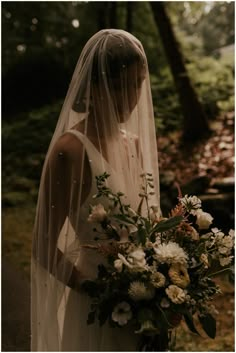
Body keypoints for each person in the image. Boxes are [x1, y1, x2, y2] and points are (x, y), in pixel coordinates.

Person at [31, 29, 160, 351]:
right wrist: (100, 291)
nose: (130, 98)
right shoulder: (70, 151)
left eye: (137, 85)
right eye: (119, 86)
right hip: (99, 309)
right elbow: (43, 247)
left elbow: (150, 224)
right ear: (93, 86)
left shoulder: (135, 145)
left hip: (148, 308)